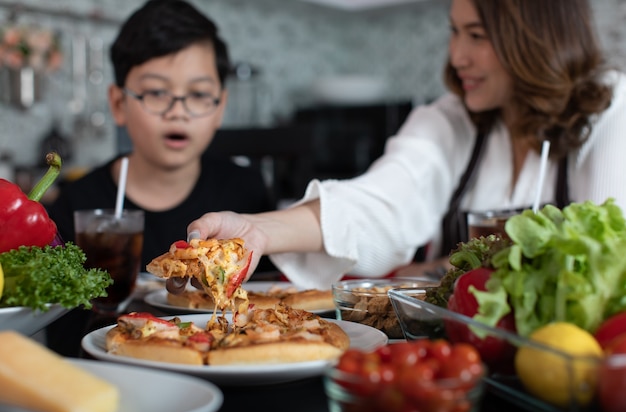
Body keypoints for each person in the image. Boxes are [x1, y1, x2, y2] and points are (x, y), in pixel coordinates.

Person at [185, 0, 626, 290]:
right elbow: (380, 202)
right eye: (455, 32)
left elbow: (609, 261)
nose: (457, 56)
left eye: (477, 35)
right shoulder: (452, 119)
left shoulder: (613, 109)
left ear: (537, 38)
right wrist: (259, 231)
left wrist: (434, 271)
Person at [45, 0, 275, 356]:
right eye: (156, 92)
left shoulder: (246, 190)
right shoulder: (76, 204)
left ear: (220, 107)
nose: (178, 111)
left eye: (198, 95)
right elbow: (62, 340)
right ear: (119, 103)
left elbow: (266, 304)